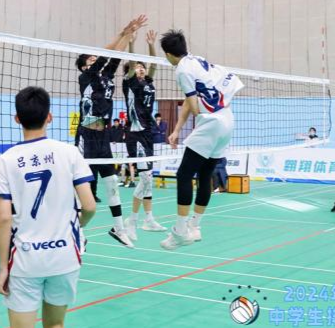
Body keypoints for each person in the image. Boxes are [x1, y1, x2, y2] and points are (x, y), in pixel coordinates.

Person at [0, 86, 97, 328]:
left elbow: (3, 218)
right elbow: (89, 206)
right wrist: (79, 226)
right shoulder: (70, 153)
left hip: (25, 259)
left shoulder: (5, 161)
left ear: (17, 118)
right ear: (49, 117)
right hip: (64, 256)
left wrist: (3, 267)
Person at [159, 28, 244, 249]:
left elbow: (193, 105)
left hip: (211, 123)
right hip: (227, 119)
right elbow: (196, 98)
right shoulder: (198, 61)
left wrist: (199, 115)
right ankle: (195, 227)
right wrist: (177, 129)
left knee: (183, 175)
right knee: (205, 175)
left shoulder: (181, 71)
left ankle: (180, 232)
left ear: (167, 54)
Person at [76, 14, 147, 249]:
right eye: (91, 59)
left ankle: (118, 228)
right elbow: (106, 54)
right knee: (84, 188)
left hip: (104, 136)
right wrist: (121, 33)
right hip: (87, 135)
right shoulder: (86, 76)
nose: (95, 59)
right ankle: (77, 232)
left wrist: (128, 34)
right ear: (85, 66)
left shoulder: (106, 76)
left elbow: (115, 56)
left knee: (112, 181)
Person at [123, 31, 166, 238]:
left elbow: (154, 64)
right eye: (138, 66)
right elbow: (131, 64)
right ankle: (131, 220)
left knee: (148, 178)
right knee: (146, 178)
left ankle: (148, 219)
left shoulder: (148, 82)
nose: (141, 68)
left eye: (142, 66)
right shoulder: (129, 82)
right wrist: (132, 45)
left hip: (147, 132)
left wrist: (151, 45)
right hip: (135, 132)